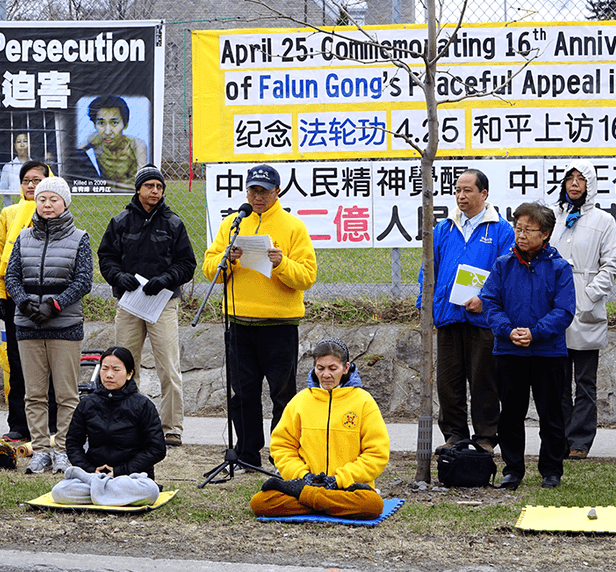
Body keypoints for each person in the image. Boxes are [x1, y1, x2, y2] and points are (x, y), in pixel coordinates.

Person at [201, 164, 317, 470]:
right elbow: (209, 269)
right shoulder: (233, 224)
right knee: (243, 393)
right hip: (239, 322)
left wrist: (282, 263)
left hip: (279, 325)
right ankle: (246, 454)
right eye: (253, 190)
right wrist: (228, 259)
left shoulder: (293, 227)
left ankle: (283, 456)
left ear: (277, 192)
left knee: (282, 395)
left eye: (264, 191)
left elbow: (306, 276)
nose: (257, 197)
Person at [97, 165, 197, 446]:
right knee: (126, 366)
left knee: (169, 367)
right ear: (138, 189)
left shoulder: (173, 223)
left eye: (159, 187)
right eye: (150, 186)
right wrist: (118, 277)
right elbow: (106, 257)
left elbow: (187, 264)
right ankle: (129, 424)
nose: (155, 191)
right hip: (129, 304)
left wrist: (166, 279)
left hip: (163, 304)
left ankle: (171, 428)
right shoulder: (120, 222)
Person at [480, 203, 575, 490]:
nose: (520, 235)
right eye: (517, 228)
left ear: (544, 234)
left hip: (548, 352)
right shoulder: (503, 264)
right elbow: (490, 302)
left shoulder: (559, 268)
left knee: (551, 414)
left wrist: (535, 333)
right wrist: (508, 332)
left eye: (528, 230)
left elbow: (564, 311)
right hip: (509, 351)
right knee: (510, 413)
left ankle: (551, 470)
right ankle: (513, 469)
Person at [418, 168, 514, 453]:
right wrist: (426, 305)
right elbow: (428, 267)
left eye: (467, 190)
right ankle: (455, 434)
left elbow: (506, 274)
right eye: (458, 190)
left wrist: (485, 300)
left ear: (483, 194)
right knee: (449, 381)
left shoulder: (501, 230)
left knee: (484, 379)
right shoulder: (443, 228)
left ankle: (485, 437)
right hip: (448, 315)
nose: (461, 195)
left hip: (482, 319)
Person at [4, 175, 92, 475]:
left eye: (53, 199)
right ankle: (40, 449)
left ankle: (65, 449)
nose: (47, 204)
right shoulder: (23, 238)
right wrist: (25, 303)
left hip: (64, 326)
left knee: (66, 394)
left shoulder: (79, 237)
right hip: (28, 325)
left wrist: (54, 305)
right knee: (34, 393)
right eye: (42, 199)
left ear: (65, 202)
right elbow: (11, 276)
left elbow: (83, 280)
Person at [251, 339, 389, 519]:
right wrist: (302, 476)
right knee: (260, 502)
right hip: (306, 484)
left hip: (347, 487)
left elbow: (376, 454)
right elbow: (281, 447)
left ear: (346, 368)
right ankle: (329, 504)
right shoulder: (300, 401)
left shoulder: (364, 402)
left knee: (372, 505)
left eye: (333, 369)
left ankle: (311, 502)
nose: (326, 374)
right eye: (320, 368)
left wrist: (339, 479)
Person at [550, 161, 616, 460]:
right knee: (556, 380)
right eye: (570, 178)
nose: (575, 184)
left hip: (585, 306)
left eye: (581, 179)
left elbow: (612, 263)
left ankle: (580, 439)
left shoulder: (603, 220)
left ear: (590, 185)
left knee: (584, 381)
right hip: (554, 307)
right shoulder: (553, 216)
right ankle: (559, 436)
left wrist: (590, 295)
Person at [0, 159, 51, 440]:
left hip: (50, 301)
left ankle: (51, 424)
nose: (30, 185)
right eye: (27, 180)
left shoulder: (55, 212)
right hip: (17, 299)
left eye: (37, 180)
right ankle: (19, 423)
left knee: (48, 363)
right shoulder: (9, 213)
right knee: (16, 362)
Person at [65, 346, 167, 479]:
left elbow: (156, 449)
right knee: (61, 491)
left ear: (129, 374)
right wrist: (90, 470)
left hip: (132, 476)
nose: (109, 375)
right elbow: (73, 443)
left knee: (147, 489)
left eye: (116, 369)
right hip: (94, 475)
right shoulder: (87, 403)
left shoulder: (143, 405)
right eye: (105, 368)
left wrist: (121, 471)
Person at [81, 95, 146, 184]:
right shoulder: (95, 140)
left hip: (129, 190)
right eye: (101, 123)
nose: (107, 132)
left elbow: (143, 180)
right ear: (94, 125)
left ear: (125, 124)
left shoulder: (136, 145)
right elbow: (74, 153)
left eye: (114, 123)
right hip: (103, 188)